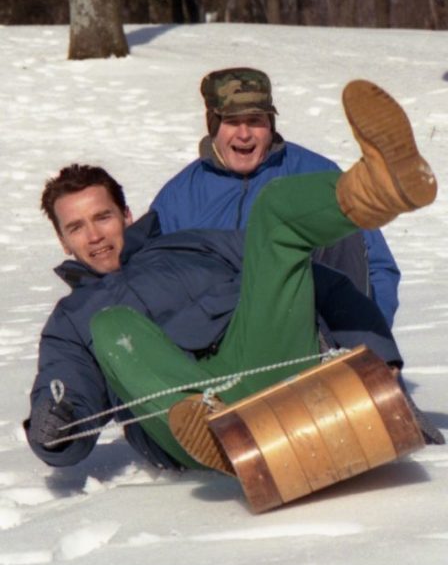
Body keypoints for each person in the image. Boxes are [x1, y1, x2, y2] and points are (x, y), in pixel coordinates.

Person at [24, 80, 442, 473]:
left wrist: (374, 357)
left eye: (103, 217)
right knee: (112, 324)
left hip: (259, 360)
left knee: (272, 211)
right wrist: (54, 428)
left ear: (127, 216)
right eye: (76, 227)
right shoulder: (70, 320)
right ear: (63, 242)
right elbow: (65, 391)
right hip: (180, 419)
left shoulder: (189, 244)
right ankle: (214, 429)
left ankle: (377, 190)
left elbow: (313, 279)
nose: (94, 235)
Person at [151, 68, 401, 328]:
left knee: (336, 226)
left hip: (311, 336)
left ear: (270, 123)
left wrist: (374, 337)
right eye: (232, 122)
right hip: (218, 343)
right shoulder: (178, 198)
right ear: (213, 125)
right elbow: (152, 283)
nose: (244, 134)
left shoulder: (316, 174)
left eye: (256, 120)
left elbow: (377, 265)